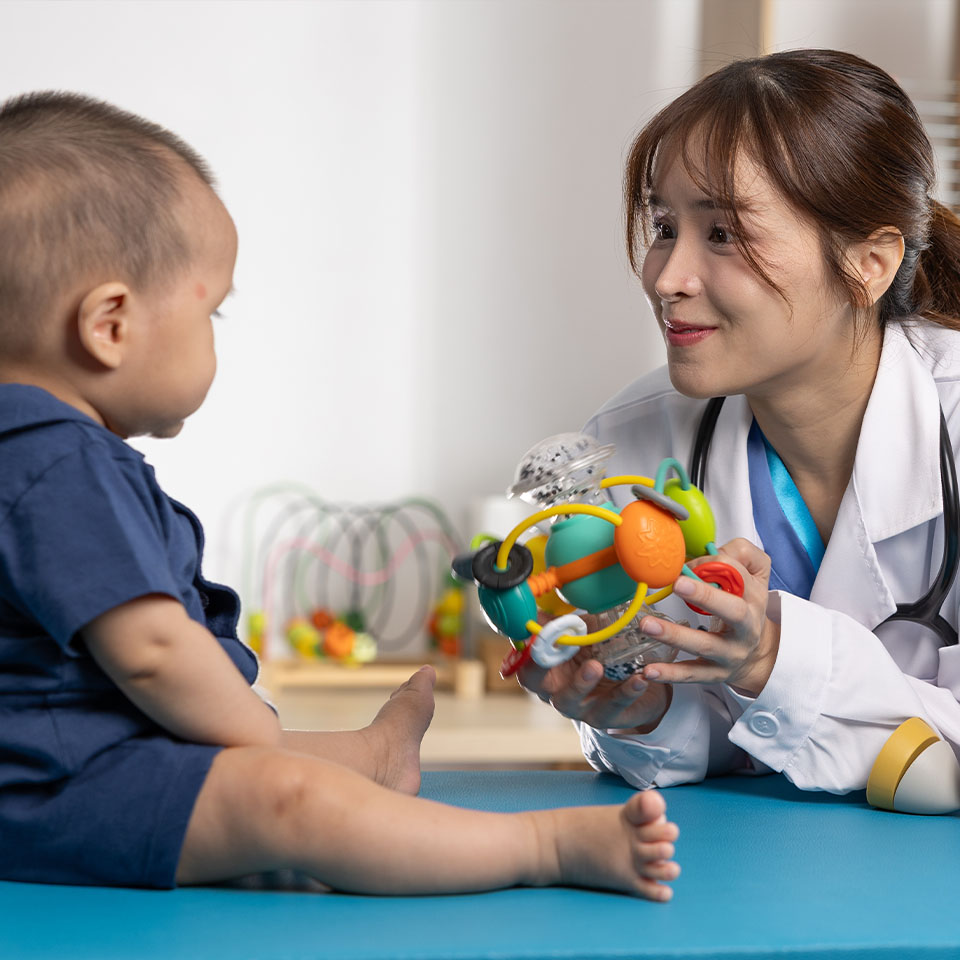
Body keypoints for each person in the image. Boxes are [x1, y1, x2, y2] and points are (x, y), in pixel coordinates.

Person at [0, 91, 680, 900]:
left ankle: (377, 755)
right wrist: (253, 736)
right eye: (212, 310)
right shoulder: (57, 459)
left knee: (272, 759)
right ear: (109, 324)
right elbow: (151, 651)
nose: (216, 331)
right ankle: (541, 847)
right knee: (285, 796)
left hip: (71, 758)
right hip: (59, 788)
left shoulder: (29, 450)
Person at [519, 48, 960, 795]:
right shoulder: (632, 445)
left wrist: (771, 659)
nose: (667, 278)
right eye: (664, 225)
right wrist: (641, 711)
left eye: (723, 234)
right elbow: (730, 744)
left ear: (869, 264)